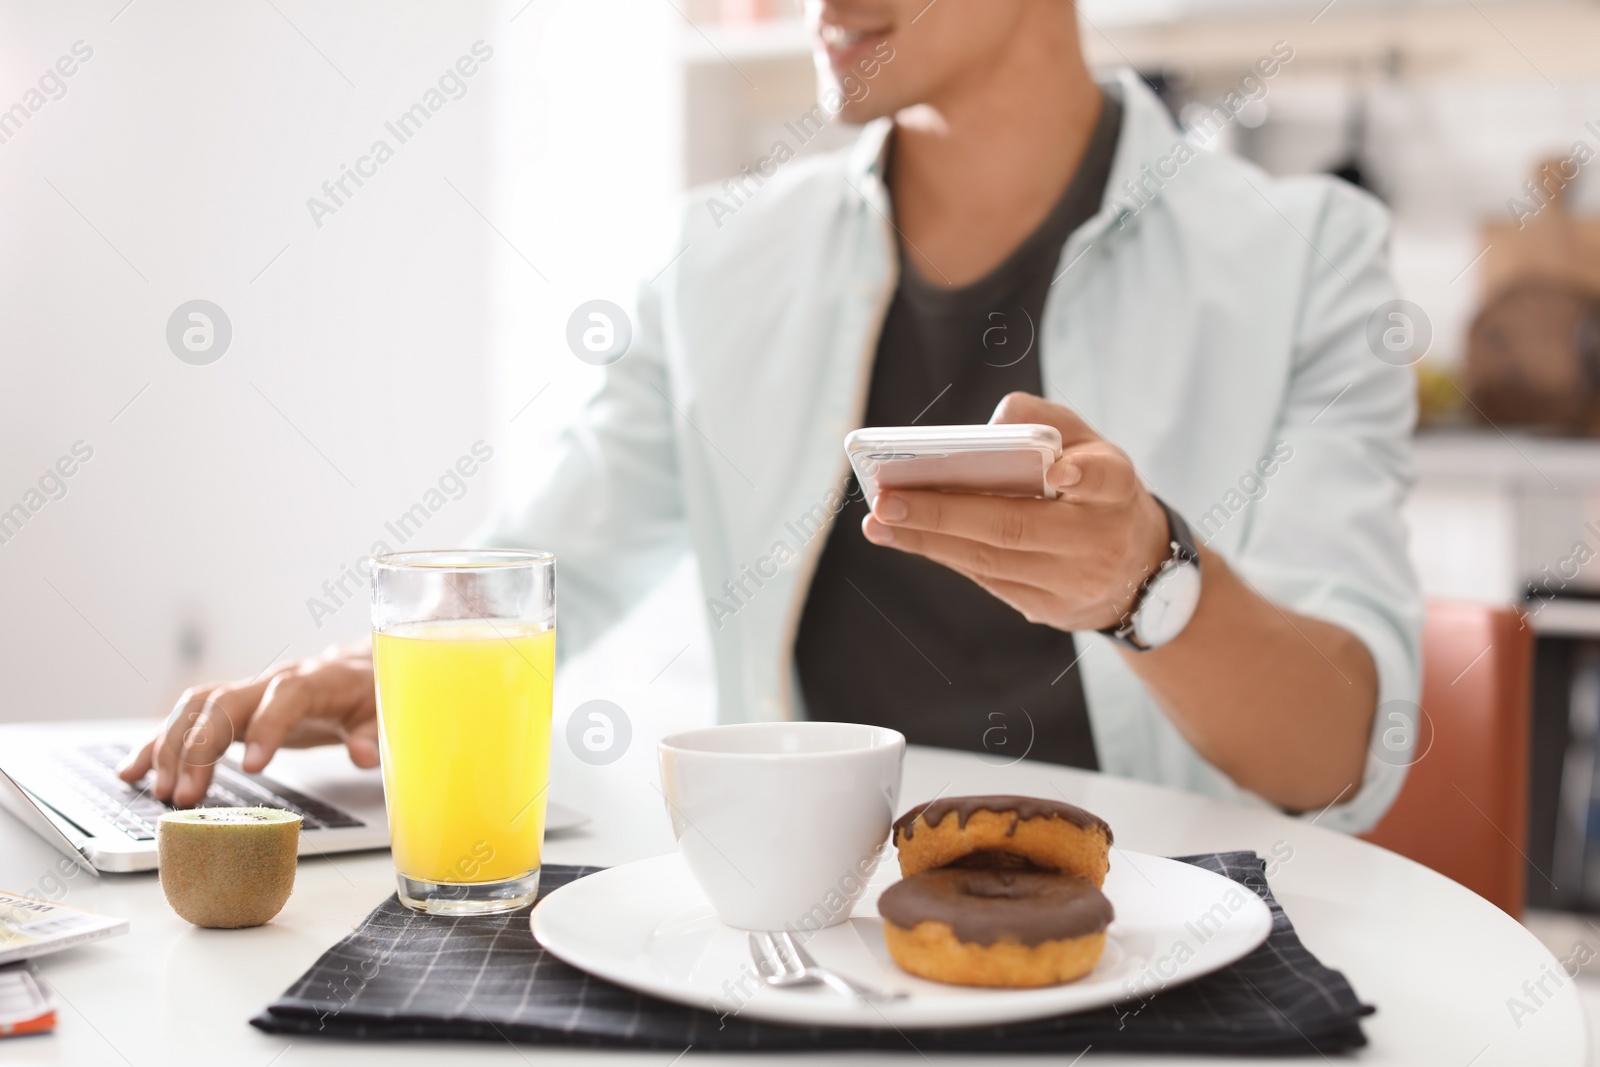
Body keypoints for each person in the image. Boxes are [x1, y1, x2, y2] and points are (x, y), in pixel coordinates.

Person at [120, 0, 1421, 833]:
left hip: (1158, 943)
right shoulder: (717, 259)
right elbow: (552, 559)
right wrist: (371, 671)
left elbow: (1341, 755)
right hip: (805, 942)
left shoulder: (1307, 256)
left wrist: (1153, 583)